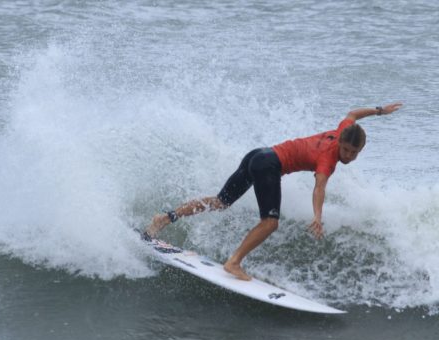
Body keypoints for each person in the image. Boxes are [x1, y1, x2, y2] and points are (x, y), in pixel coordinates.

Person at [144, 102, 403, 280]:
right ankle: (233, 262)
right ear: (342, 144)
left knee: (221, 201)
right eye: (346, 150)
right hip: (269, 164)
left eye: (354, 153)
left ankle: (164, 218)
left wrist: (380, 111)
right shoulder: (328, 159)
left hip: (258, 155)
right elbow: (319, 187)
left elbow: (353, 113)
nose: (348, 156)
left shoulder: (343, 130)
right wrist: (317, 216)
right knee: (270, 223)